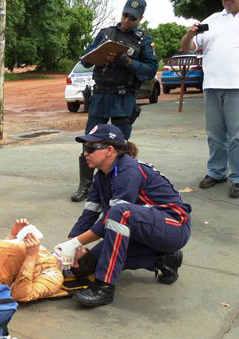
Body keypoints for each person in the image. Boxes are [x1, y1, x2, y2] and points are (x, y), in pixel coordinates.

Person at [55, 124, 191, 308]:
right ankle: (163, 259)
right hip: (145, 227)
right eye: (84, 148)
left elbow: (114, 217)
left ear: (109, 150)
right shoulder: (101, 176)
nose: (85, 153)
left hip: (174, 226)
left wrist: (76, 243)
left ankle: (104, 287)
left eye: (90, 148)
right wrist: (70, 248)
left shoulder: (128, 171)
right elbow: (90, 213)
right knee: (90, 263)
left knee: (120, 213)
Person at [70, 0, 158, 202]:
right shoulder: (106, 34)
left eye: (132, 17)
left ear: (140, 19)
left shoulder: (143, 40)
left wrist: (126, 61)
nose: (126, 20)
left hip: (123, 97)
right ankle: (86, 185)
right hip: (100, 96)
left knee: (120, 145)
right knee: (89, 142)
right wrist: (100, 53)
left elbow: (150, 70)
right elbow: (85, 59)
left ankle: (119, 186)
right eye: (125, 15)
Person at [180, 0, 239, 199]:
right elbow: (186, 48)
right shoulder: (213, 20)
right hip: (212, 86)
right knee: (214, 134)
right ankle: (217, 172)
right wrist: (190, 34)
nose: (227, 2)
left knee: (238, 135)